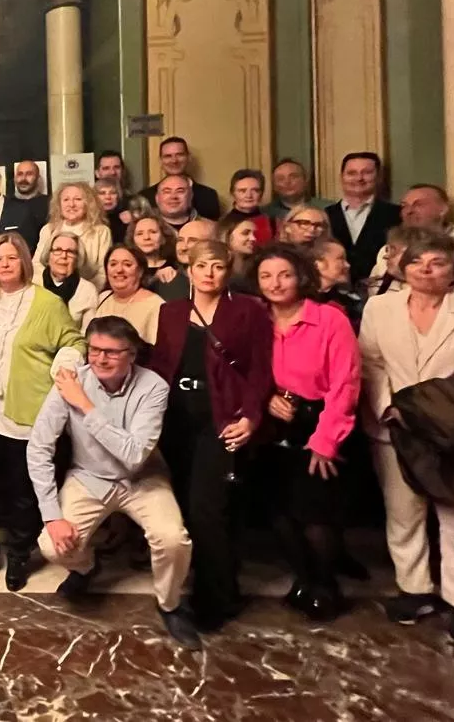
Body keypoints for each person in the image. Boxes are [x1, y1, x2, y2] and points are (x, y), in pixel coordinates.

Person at [358, 230, 454, 647]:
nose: (425, 270)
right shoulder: (379, 308)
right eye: (416, 262)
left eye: (437, 263)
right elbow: (371, 364)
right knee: (403, 514)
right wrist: (390, 409)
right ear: (402, 269)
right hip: (394, 426)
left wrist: (430, 416)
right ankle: (415, 590)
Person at [31, 316, 202, 650]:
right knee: (52, 545)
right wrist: (52, 516)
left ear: (131, 354)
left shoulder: (153, 387)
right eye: (94, 350)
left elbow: (134, 455)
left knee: (173, 540)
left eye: (111, 352)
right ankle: (86, 568)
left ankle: (170, 604)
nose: (100, 359)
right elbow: (38, 448)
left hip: (143, 479)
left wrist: (84, 404)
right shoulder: (70, 382)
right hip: (89, 478)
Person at [147, 241, 272, 630]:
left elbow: (260, 369)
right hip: (176, 421)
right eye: (202, 266)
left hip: (220, 420)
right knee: (187, 507)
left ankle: (217, 597)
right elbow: (159, 366)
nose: (209, 273)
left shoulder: (248, 310)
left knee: (207, 509)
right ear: (189, 269)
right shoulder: (171, 311)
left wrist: (250, 416)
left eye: (217, 266)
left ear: (228, 270)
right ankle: (202, 581)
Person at [0, 233, 83, 591]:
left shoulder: (47, 302)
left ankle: (18, 554)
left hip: (25, 408)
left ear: (25, 262)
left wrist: (62, 369)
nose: (4, 264)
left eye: (12, 258)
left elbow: (74, 342)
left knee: (22, 487)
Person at [254, 242, 361, 621]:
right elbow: (243, 370)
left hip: (319, 421)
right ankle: (301, 579)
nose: (275, 283)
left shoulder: (330, 319)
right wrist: (265, 397)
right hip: (271, 425)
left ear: (301, 276)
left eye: (284, 274)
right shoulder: (256, 320)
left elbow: (345, 383)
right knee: (279, 511)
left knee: (316, 514)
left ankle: (325, 585)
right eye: (266, 276)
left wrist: (325, 441)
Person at [369, 184, 454, 296]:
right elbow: (375, 289)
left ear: (443, 210)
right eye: (404, 206)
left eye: (418, 204)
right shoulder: (389, 249)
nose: (409, 211)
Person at [326, 152, 401, 285]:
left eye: (367, 172)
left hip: (383, 289)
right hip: (334, 290)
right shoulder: (324, 215)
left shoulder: (397, 214)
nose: (359, 178)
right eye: (352, 173)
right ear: (341, 177)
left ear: (379, 177)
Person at [33, 183, 111, 290]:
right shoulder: (48, 230)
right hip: (48, 291)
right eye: (66, 200)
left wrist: (83, 292)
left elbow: (103, 272)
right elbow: (36, 266)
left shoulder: (101, 232)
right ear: (59, 205)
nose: (71, 204)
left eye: (78, 199)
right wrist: (52, 290)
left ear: (88, 204)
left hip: (86, 292)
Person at [96, 245, 167, 346]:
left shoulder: (156, 306)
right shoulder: (103, 298)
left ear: (140, 271)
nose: (119, 270)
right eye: (113, 264)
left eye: (127, 265)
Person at [140, 137, 221, 219]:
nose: (174, 161)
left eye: (179, 155)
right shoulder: (145, 197)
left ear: (188, 158)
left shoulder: (209, 196)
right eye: (168, 156)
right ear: (161, 161)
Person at [42, 232, 100, 328]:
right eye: (58, 250)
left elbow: (87, 333)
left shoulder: (87, 290)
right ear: (48, 256)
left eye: (70, 252)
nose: (64, 256)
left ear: (78, 259)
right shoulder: (34, 283)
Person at [130, 215, 186, 301]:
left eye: (153, 232)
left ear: (163, 238)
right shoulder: (130, 268)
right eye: (140, 234)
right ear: (132, 240)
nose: (146, 237)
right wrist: (155, 279)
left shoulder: (176, 264)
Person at [313, 239, 365, 329]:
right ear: (318, 264)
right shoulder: (298, 301)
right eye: (341, 259)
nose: (347, 265)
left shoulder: (350, 305)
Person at [222, 169, 275, 245]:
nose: (248, 195)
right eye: (242, 191)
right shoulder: (223, 224)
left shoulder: (272, 223)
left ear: (261, 194)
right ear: (232, 193)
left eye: (255, 190)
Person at [216, 213, 260, 295]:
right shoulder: (216, 269)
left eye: (254, 234)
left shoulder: (258, 266)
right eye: (245, 233)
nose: (253, 238)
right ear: (227, 236)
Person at [95, 178, 129, 244]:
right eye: (102, 193)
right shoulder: (90, 219)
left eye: (113, 193)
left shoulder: (126, 218)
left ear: (118, 196)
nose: (108, 197)